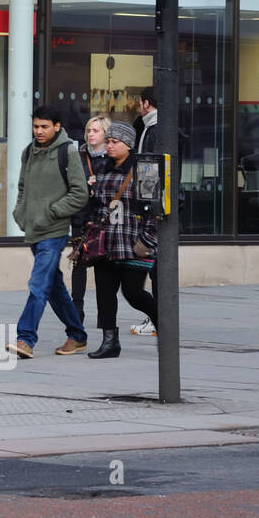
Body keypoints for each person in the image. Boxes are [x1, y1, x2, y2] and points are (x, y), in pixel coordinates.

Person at [8, 105, 90, 358]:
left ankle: (25, 338)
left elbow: (80, 193)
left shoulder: (68, 152)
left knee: (39, 283)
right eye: (36, 126)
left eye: (44, 126)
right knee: (53, 286)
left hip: (54, 231)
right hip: (33, 229)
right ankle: (77, 336)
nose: (39, 131)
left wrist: (52, 212)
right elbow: (22, 186)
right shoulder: (28, 152)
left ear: (57, 126)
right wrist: (20, 213)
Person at [86, 121, 159, 359]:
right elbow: (98, 205)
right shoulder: (102, 168)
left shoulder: (145, 169)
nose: (109, 146)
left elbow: (155, 211)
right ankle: (110, 342)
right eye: (108, 141)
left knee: (133, 292)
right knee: (105, 294)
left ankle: (164, 323)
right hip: (106, 244)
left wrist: (147, 240)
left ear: (128, 145)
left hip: (133, 244)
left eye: (114, 142)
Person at [70, 115, 110, 324]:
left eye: (96, 130)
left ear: (106, 133)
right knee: (79, 263)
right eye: (89, 130)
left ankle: (105, 315)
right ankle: (77, 310)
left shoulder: (112, 157)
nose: (91, 134)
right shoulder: (79, 156)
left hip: (104, 219)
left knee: (104, 266)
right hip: (82, 216)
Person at [131, 88, 159, 336]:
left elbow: (149, 167)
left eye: (139, 103)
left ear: (146, 103)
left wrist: (146, 204)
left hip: (154, 206)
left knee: (154, 266)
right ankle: (157, 317)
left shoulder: (155, 128)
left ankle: (158, 318)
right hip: (155, 204)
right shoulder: (150, 126)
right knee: (153, 266)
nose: (137, 107)